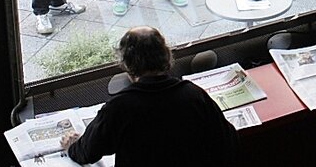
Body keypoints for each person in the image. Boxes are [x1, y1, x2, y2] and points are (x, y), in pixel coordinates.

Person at [60, 27, 238, 166]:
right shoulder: (193, 95)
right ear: (167, 57)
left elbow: (88, 152)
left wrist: (72, 147)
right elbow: (228, 141)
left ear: (127, 65)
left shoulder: (119, 107)